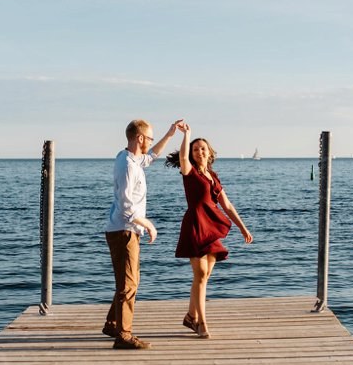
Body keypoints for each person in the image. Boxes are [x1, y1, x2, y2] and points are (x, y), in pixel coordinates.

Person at [166, 123, 252, 338]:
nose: (199, 151)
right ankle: (201, 323)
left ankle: (190, 316)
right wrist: (187, 135)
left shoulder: (214, 176)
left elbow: (227, 205)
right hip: (195, 225)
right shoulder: (189, 172)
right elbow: (183, 159)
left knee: (203, 277)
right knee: (201, 274)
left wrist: (243, 228)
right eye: (195, 149)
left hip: (212, 225)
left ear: (209, 152)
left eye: (203, 148)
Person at [104, 118, 183, 349]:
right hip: (125, 230)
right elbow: (127, 206)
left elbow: (150, 157)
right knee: (128, 285)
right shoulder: (128, 166)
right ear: (140, 138)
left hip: (124, 230)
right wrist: (148, 224)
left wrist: (169, 135)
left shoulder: (128, 158)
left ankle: (113, 323)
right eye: (149, 138)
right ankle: (124, 335)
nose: (150, 141)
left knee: (130, 281)